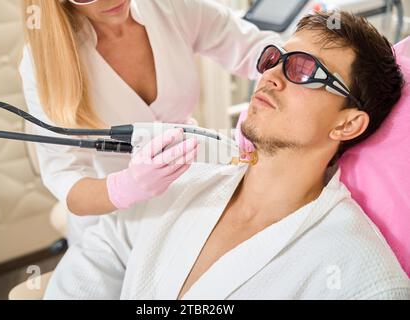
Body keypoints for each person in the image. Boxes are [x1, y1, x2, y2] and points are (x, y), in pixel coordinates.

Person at [43, 11, 410, 299]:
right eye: (273, 59)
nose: (269, 77)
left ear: (347, 125)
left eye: (304, 69)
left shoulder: (358, 274)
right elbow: (95, 261)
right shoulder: (184, 182)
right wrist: (122, 187)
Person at [19, 0, 281, 244]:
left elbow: (254, 49)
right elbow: (66, 180)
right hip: (111, 220)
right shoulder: (43, 61)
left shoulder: (168, 6)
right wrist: (124, 187)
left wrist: (270, 94)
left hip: (195, 186)